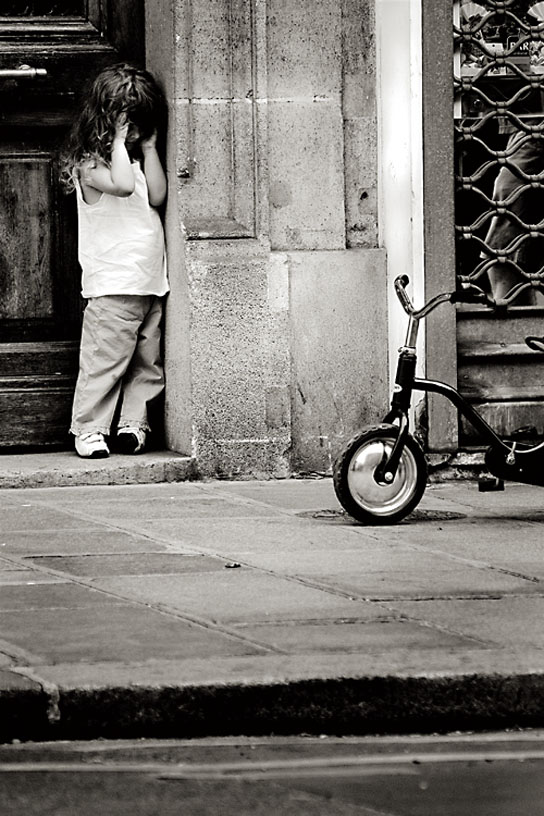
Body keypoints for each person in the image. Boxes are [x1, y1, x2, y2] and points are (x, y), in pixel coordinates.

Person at [61, 63, 169, 458]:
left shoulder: (136, 163)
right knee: (104, 363)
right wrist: (120, 142)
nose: (134, 128)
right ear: (106, 121)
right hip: (112, 285)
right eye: (126, 120)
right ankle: (89, 429)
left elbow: (156, 196)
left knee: (146, 363)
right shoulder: (91, 166)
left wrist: (150, 149)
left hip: (149, 282)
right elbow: (122, 188)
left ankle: (132, 424)